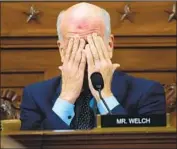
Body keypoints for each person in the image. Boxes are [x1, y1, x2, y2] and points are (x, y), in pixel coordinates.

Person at [20, 2, 166, 130]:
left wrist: (105, 96)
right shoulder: (35, 96)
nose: (84, 53)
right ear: (61, 50)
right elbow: (32, 144)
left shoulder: (147, 93)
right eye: (74, 45)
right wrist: (66, 97)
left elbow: (143, 144)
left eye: (92, 43)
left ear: (109, 46)